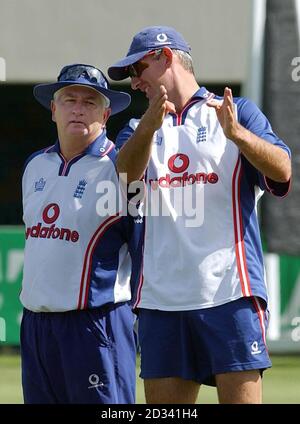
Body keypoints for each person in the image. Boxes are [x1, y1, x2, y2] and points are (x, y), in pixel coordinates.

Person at [107, 26, 292, 404]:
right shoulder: (135, 129)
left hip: (230, 294)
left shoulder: (237, 113)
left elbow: (283, 169)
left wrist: (238, 136)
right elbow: (124, 180)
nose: (135, 82)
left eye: (137, 69)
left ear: (166, 57)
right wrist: (148, 127)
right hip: (160, 302)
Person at [20, 64, 142, 404]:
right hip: (36, 327)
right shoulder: (35, 166)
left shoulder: (122, 167)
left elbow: (143, 248)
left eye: (89, 102)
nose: (78, 108)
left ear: (105, 114)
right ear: (53, 110)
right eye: (70, 99)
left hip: (96, 323)